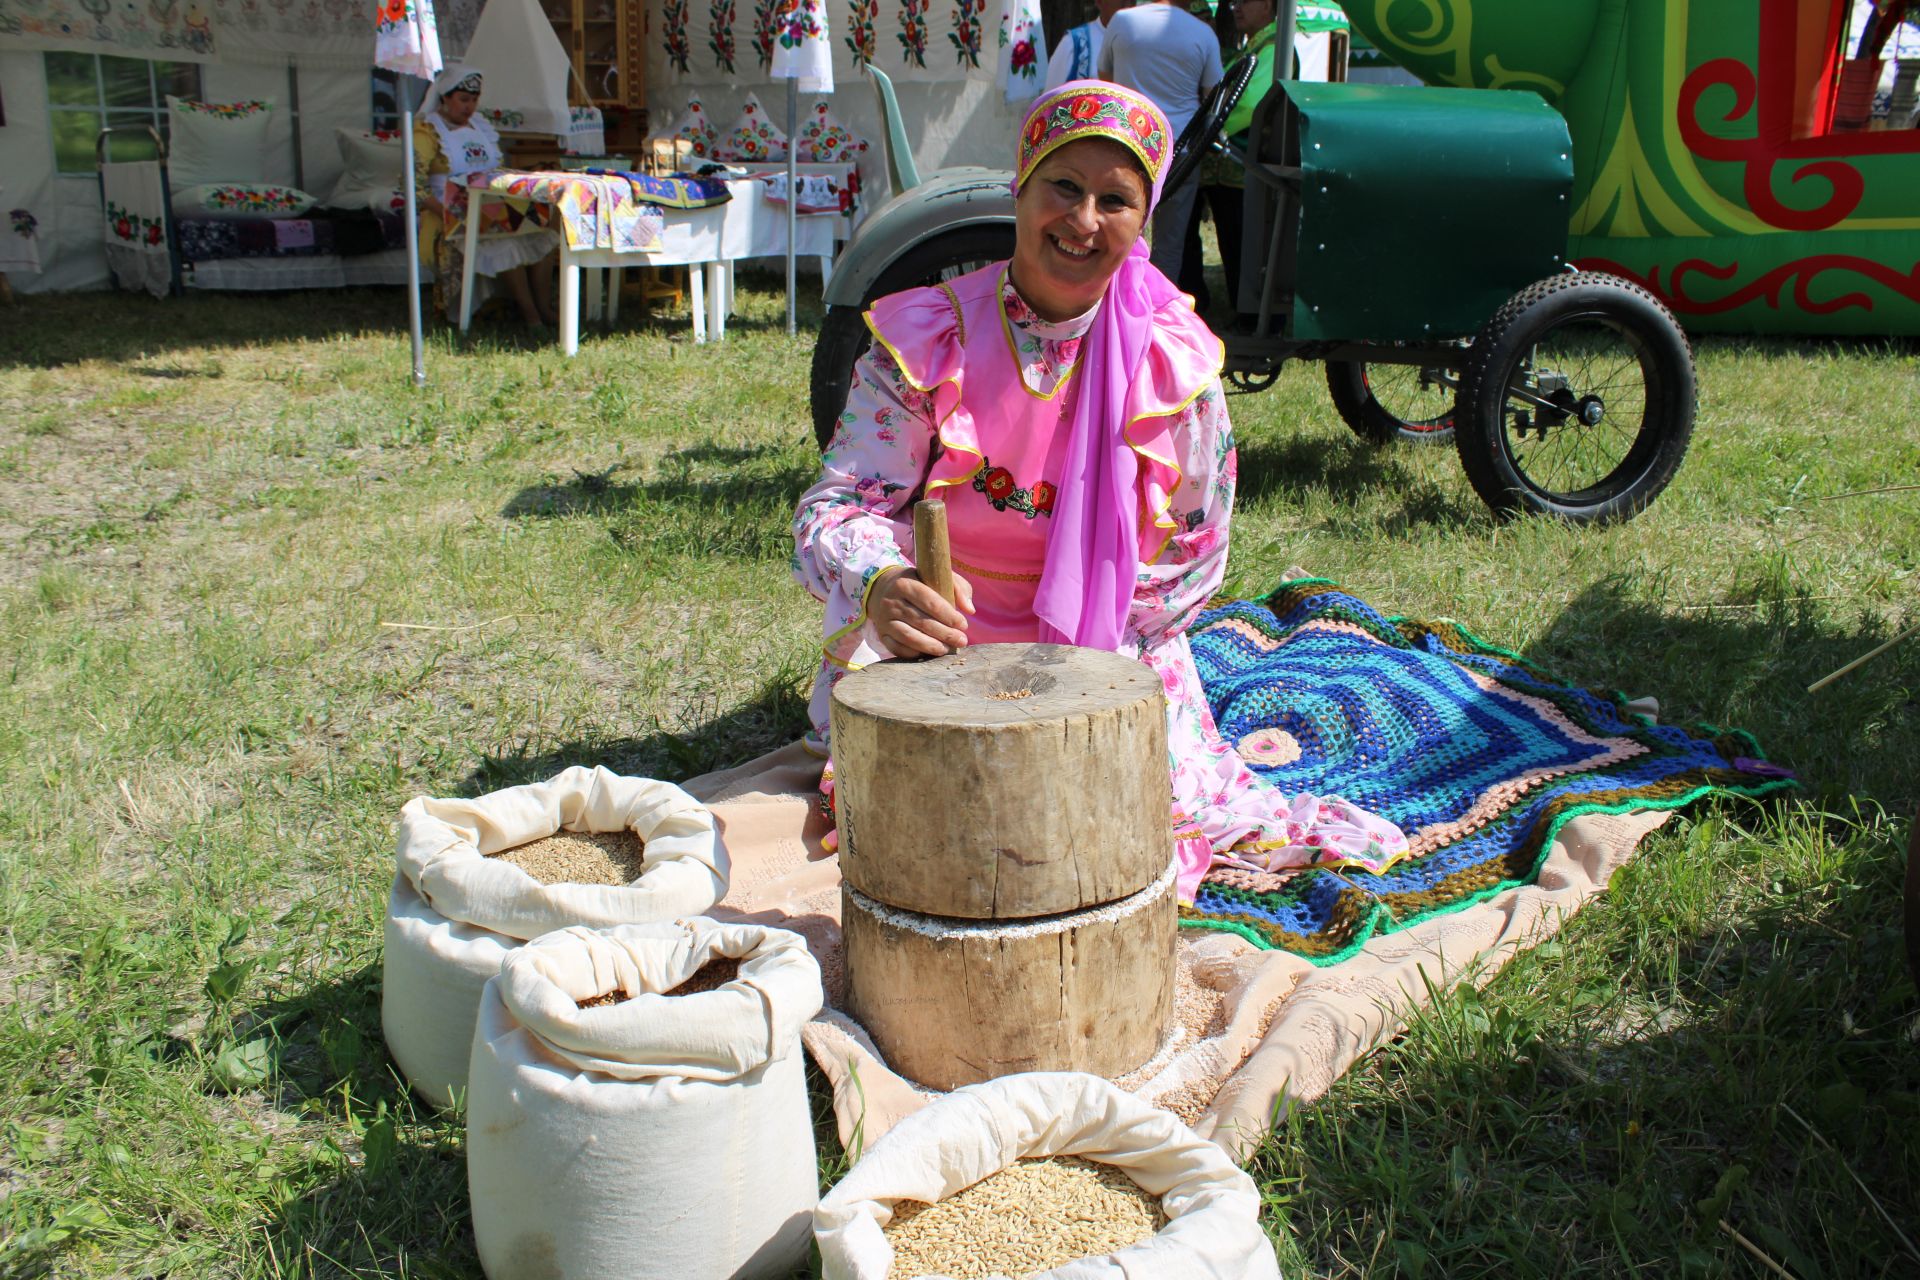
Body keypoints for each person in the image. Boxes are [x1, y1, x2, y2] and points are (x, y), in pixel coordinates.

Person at [792, 80, 1407, 902]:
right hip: (935, 639)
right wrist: (883, 587)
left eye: (1114, 199)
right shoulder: (930, 336)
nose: (1082, 221)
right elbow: (836, 508)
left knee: (1133, 808)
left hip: (1102, 643)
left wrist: (1093, 652)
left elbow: (1194, 548)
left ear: (1143, 221)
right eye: (1064, 187)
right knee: (927, 816)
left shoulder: (1172, 360)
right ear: (1020, 189)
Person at [414, 66, 560, 329]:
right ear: (445, 97)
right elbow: (413, 187)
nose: (469, 107)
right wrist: (452, 215)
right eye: (463, 100)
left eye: (474, 100)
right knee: (506, 245)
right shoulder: (427, 130)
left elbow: (497, 171)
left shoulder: (481, 127)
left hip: (494, 210)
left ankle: (544, 307)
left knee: (544, 238)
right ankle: (531, 317)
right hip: (451, 216)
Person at [1097, 0, 1222, 283]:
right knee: (1171, 242)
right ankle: (1158, 313)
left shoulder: (1122, 21)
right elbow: (1213, 96)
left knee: (1119, 232)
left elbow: (1106, 81)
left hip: (1127, 145)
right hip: (1180, 148)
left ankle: (1117, 301)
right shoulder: (1203, 33)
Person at [1043, 0, 1132, 91]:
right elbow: (1050, 99)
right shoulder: (1074, 44)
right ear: (1099, 2)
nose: (1129, 3)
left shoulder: (1143, 42)